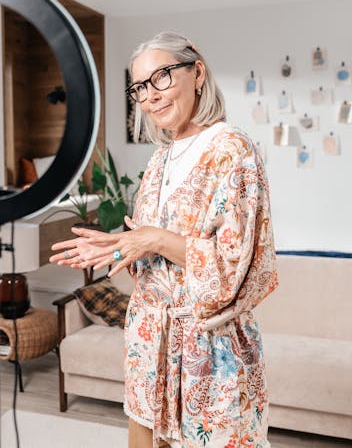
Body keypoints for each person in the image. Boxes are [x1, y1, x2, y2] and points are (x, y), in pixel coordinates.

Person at [50, 31, 278, 447]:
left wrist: (153, 239)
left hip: (209, 351)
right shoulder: (161, 158)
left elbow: (235, 262)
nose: (149, 96)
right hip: (148, 344)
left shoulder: (231, 149)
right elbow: (148, 246)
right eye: (140, 87)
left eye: (161, 78)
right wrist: (119, 245)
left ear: (197, 74)